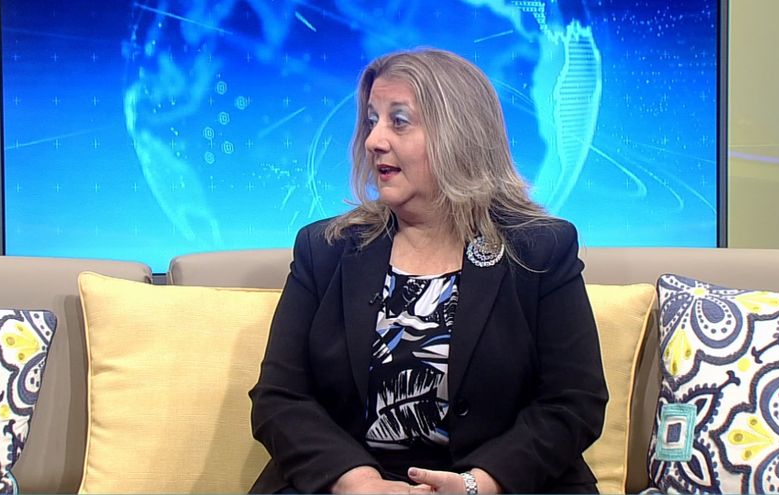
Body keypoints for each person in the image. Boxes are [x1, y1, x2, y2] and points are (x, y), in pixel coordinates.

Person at [249, 48, 608, 494]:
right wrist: (357, 481)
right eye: (371, 120)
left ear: (458, 134)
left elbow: (573, 402)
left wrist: (478, 484)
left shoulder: (539, 250)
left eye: (398, 121)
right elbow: (280, 398)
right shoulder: (325, 249)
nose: (374, 140)